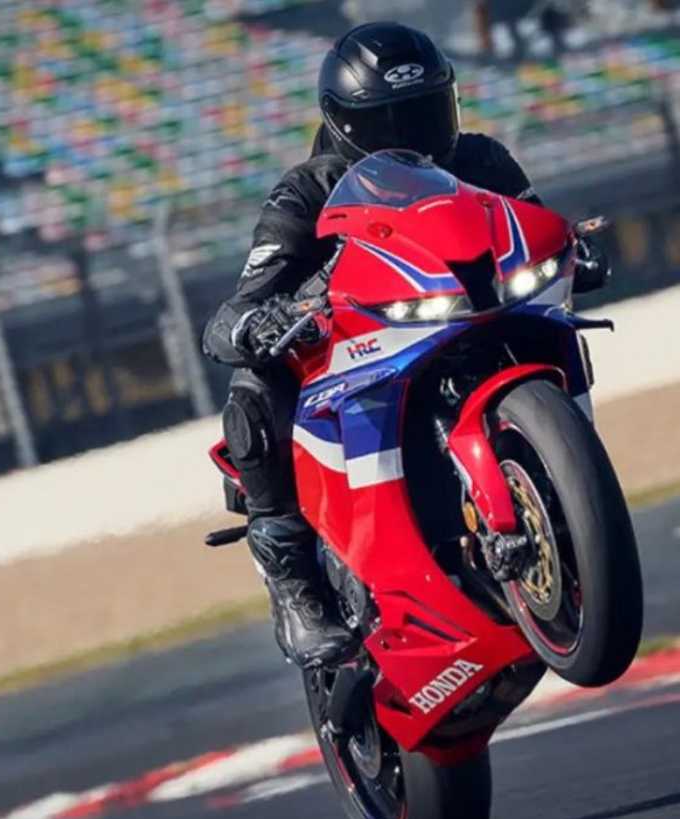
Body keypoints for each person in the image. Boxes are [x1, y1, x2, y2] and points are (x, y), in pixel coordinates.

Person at [201, 21, 606, 667]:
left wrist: (574, 251)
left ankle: (561, 504)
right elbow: (241, 304)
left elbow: (532, 220)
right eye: (390, 123)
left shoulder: (482, 160)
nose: (412, 138)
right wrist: (256, 322)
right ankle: (293, 579)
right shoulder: (306, 190)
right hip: (358, 342)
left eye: (423, 114)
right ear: (345, 125)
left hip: (468, 318)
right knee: (254, 387)